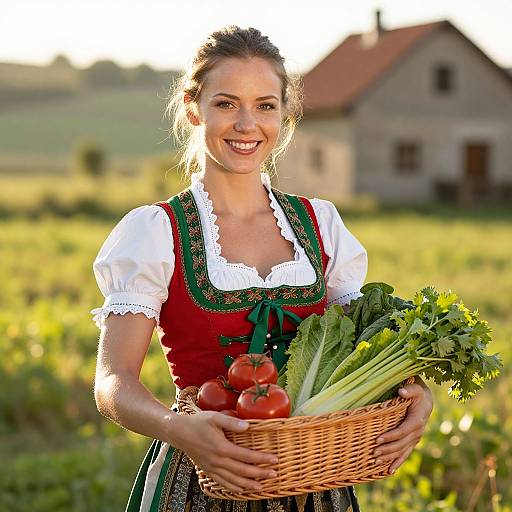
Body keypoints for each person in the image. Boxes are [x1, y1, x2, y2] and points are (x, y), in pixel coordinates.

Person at [91, 26, 433, 512]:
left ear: (285, 112)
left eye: (265, 105)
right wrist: (180, 429)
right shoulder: (156, 232)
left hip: (315, 479)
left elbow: (366, 344)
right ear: (194, 108)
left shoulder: (321, 225)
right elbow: (113, 382)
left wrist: (416, 392)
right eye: (227, 103)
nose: (247, 124)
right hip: (205, 475)